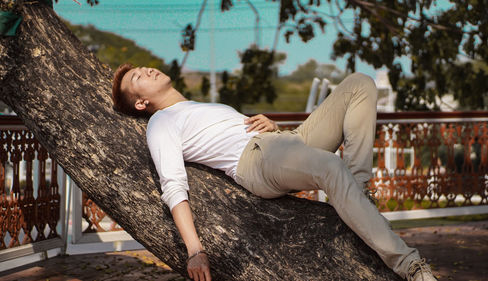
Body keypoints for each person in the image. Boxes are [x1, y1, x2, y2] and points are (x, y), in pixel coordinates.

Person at [111, 63, 437, 281]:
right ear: (141, 104)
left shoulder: (193, 106)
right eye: (139, 77)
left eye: (142, 68)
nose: (147, 70)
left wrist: (271, 125)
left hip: (284, 141)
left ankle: (359, 186)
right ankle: (412, 267)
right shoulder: (161, 123)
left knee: (360, 83)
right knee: (331, 166)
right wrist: (195, 250)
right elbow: (173, 185)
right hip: (257, 161)